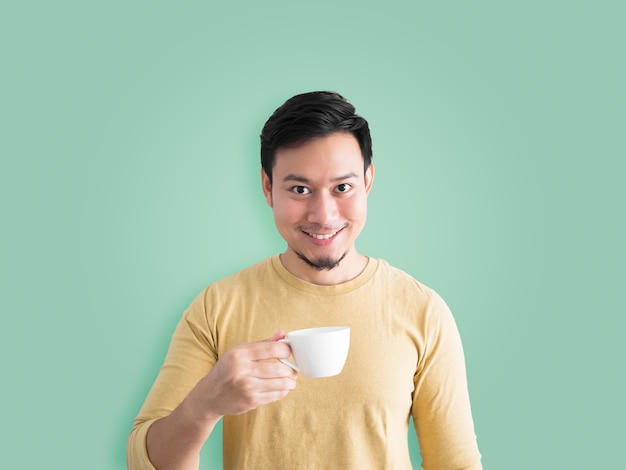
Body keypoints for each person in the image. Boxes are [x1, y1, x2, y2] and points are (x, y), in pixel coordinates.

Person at [127, 91, 482, 470]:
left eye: (342, 187)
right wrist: (205, 404)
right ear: (267, 188)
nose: (323, 215)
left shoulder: (423, 311)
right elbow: (144, 461)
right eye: (300, 189)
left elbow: (455, 463)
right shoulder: (217, 306)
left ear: (368, 181)